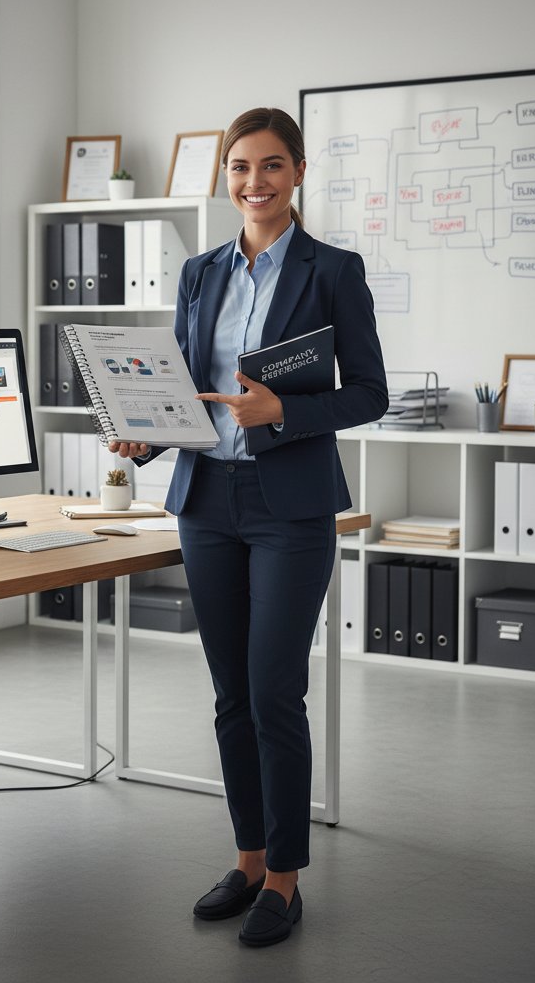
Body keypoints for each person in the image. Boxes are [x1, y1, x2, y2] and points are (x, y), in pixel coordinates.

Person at [110, 107, 387, 947]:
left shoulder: (334, 269)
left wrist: (285, 410)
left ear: (297, 172)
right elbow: (190, 385)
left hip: (289, 506)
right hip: (206, 501)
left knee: (274, 690)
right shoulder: (199, 273)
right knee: (230, 693)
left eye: (270, 166)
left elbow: (369, 392)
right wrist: (144, 431)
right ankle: (248, 856)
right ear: (224, 177)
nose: (254, 183)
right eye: (239, 168)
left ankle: (288, 880)